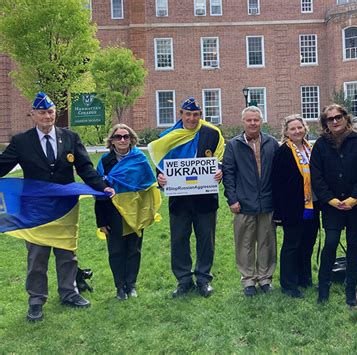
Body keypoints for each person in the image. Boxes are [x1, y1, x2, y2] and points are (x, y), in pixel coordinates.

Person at [0, 92, 114, 321]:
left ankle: (69, 292)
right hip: (35, 210)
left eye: (50, 112)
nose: (47, 116)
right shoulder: (21, 141)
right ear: (33, 115)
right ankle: (36, 300)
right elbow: (2, 166)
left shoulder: (70, 137)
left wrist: (102, 186)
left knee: (67, 253)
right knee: (36, 257)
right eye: (42, 112)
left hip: (64, 207)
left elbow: (85, 168)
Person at [149, 97, 224, 298]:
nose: (192, 118)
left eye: (196, 115)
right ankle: (183, 280)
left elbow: (221, 158)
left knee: (206, 240)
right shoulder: (169, 137)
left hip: (205, 198)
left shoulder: (212, 133)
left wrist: (220, 171)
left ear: (201, 115)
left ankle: (203, 279)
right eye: (188, 114)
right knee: (179, 240)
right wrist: (161, 178)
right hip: (179, 199)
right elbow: (159, 165)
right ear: (181, 114)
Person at [310, 104, 357, 306]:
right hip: (332, 205)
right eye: (330, 119)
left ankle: (350, 288)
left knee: (353, 245)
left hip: (355, 205)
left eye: (338, 117)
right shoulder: (320, 145)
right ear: (325, 123)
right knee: (330, 242)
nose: (335, 121)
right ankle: (323, 286)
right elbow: (316, 176)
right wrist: (331, 200)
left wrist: (354, 198)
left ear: (346, 118)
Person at [95, 124, 159, 300]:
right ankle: (119, 287)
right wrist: (101, 221)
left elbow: (149, 187)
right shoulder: (105, 162)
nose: (122, 140)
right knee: (115, 251)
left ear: (132, 139)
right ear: (112, 141)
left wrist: (149, 212)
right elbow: (98, 192)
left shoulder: (140, 160)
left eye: (126, 136)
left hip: (135, 212)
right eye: (118, 137)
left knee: (133, 250)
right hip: (112, 213)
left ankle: (131, 285)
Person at [223, 106, 279, 297]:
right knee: (245, 243)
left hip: (267, 201)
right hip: (243, 203)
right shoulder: (233, 145)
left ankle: (265, 278)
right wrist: (232, 199)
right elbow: (228, 174)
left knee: (267, 242)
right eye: (249, 120)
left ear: (261, 121)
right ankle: (248, 280)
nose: (253, 123)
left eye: (256, 120)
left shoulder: (271, 143)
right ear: (243, 122)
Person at [272, 114, 319, 298]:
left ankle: (305, 278)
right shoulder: (283, 151)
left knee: (308, 243)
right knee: (292, 245)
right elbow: (277, 183)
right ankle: (288, 284)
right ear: (286, 132)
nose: (297, 131)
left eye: (300, 127)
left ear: (305, 128)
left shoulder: (310, 148)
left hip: (312, 205)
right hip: (292, 207)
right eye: (293, 129)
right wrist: (279, 212)